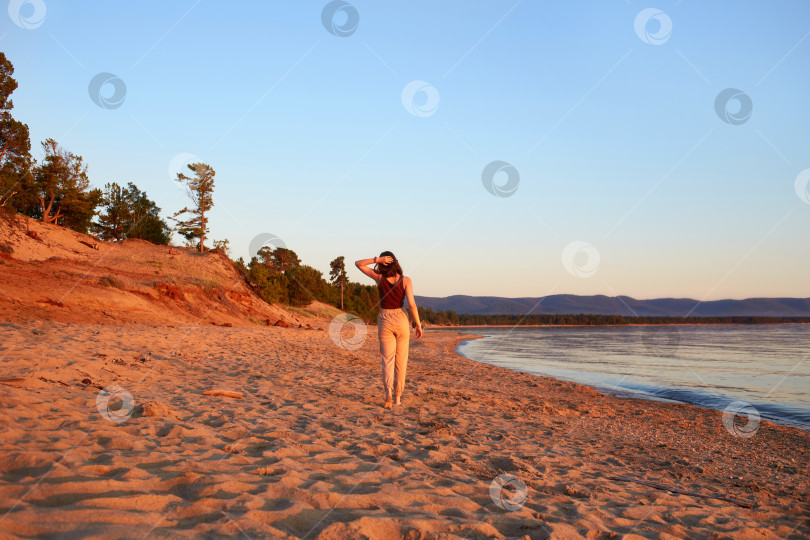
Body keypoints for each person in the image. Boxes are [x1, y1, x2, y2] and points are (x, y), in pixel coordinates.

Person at [355, 251, 423, 409]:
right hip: (401, 319)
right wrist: (418, 324)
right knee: (401, 361)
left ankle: (388, 394)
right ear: (396, 263)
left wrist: (376, 259)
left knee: (387, 360)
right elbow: (412, 304)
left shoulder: (379, 279)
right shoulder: (406, 280)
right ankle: (398, 398)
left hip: (384, 319)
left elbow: (358, 264)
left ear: (383, 264)